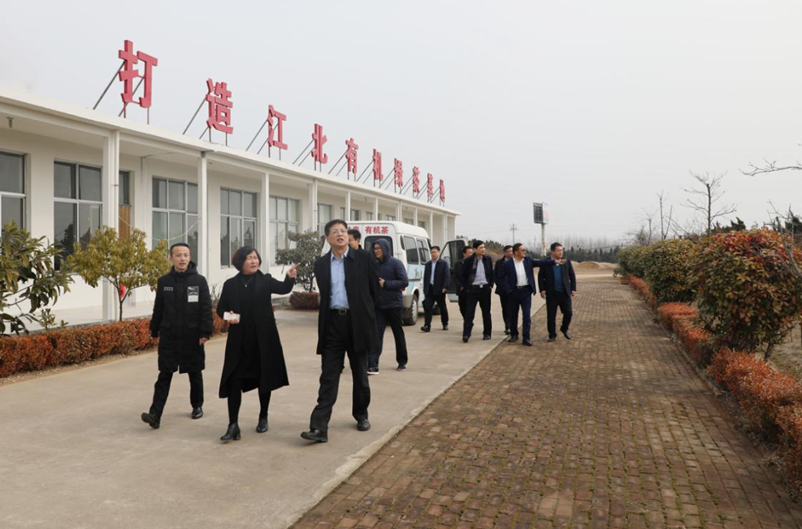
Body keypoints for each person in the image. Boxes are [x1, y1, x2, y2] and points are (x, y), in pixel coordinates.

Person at [301, 219, 380, 443]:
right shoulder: (320, 264)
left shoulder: (364, 258)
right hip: (332, 324)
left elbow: (374, 292)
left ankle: (361, 414)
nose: (340, 234)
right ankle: (319, 427)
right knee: (328, 376)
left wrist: (366, 317)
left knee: (360, 375)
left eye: (343, 231)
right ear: (328, 238)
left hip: (357, 324)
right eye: (335, 231)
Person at [215, 247, 298, 442]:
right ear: (240, 262)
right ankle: (233, 424)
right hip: (239, 341)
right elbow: (220, 309)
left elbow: (283, 289)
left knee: (264, 378)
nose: (254, 261)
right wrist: (229, 316)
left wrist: (289, 278)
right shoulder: (230, 284)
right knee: (234, 380)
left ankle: (263, 416)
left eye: (255, 258)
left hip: (263, 339)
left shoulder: (265, 280)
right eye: (249, 258)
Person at [141, 243, 213, 430]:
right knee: (164, 374)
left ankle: (197, 406)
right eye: (178, 255)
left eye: (186, 255)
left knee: (194, 372)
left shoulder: (199, 281)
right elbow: (159, 308)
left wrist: (205, 332)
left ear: (190, 258)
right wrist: (154, 330)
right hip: (170, 335)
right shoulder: (164, 282)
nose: (182, 258)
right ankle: (155, 414)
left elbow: (206, 308)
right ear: (171, 258)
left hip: (192, 335)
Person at [501, 243, 561, 346]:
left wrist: (554, 261)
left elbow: (541, 262)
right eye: (522, 250)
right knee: (513, 315)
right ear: (516, 252)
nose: (525, 252)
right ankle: (514, 335)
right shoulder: (507, 264)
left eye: (525, 250)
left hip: (526, 292)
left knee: (526, 315)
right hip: (513, 292)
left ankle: (526, 338)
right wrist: (507, 289)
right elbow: (499, 278)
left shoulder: (528, 261)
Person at [369, 239, 409, 373]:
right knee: (376, 335)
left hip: (394, 305)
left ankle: (402, 361)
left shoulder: (396, 263)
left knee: (398, 334)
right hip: (379, 306)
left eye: (379, 248)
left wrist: (386, 284)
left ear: (385, 249)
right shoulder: (374, 264)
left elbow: (404, 282)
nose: (376, 251)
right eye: (375, 248)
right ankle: (373, 364)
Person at [539, 242, 577, 342]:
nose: (561, 252)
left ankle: (564, 328)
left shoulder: (566, 261)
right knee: (551, 316)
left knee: (568, 313)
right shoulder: (546, 262)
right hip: (552, 294)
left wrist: (573, 288)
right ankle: (552, 335)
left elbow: (572, 275)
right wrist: (542, 289)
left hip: (564, 293)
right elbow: (540, 276)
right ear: (552, 251)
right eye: (558, 251)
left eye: (562, 250)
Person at [457, 240, 495, 342]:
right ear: (474, 249)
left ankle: (487, 333)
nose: (483, 249)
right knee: (469, 313)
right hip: (472, 289)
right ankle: (466, 334)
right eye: (480, 248)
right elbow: (461, 275)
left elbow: (491, 273)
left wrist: (491, 285)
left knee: (486, 313)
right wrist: (466, 287)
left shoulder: (488, 259)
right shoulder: (469, 260)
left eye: (484, 247)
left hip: (485, 289)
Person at [421, 246, 450, 332]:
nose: (433, 254)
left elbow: (447, 276)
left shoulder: (443, 263)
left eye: (435, 252)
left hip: (440, 289)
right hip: (430, 289)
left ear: (439, 253)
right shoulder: (428, 264)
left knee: (442, 307)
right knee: (428, 307)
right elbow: (426, 277)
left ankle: (445, 323)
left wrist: (445, 287)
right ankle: (427, 325)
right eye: (432, 252)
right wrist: (425, 289)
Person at [494, 245, 513, 335]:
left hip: (513, 289)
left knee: (513, 308)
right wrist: (501, 285)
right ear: (505, 252)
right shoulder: (499, 263)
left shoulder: (515, 261)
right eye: (509, 251)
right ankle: (507, 326)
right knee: (505, 308)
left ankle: (512, 325)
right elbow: (496, 275)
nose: (511, 253)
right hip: (503, 290)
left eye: (512, 251)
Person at [454, 246, 474, 319]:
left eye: (472, 253)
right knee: (462, 306)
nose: (471, 254)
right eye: (469, 253)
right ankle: (466, 320)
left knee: (470, 307)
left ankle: (468, 321)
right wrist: (460, 286)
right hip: (462, 289)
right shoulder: (458, 263)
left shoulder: (475, 263)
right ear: (464, 254)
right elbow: (455, 276)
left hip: (472, 289)